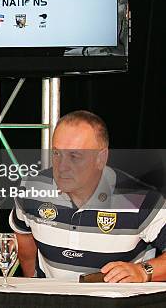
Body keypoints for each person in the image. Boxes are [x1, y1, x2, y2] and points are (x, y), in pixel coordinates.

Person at [10, 110, 166, 282]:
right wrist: (33, 286)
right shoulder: (32, 189)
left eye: (74, 156)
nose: (62, 167)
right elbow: (23, 235)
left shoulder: (139, 198)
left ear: (101, 158)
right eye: (56, 153)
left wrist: (143, 271)